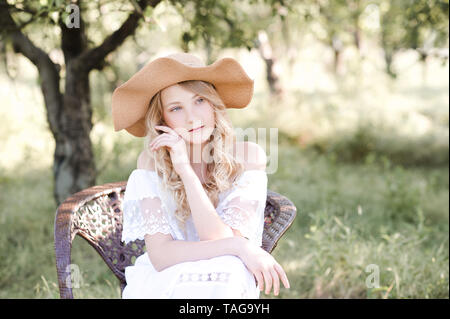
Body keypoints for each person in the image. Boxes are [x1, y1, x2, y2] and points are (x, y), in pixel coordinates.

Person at [111, 52, 290, 299]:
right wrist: (239, 245)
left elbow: (216, 240)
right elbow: (162, 257)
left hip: (225, 273)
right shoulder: (151, 163)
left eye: (199, 101)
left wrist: (187, 173)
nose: (192, 117)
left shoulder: (248, 157)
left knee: (231, 271)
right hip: (166, 278)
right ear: (162, 119)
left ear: (213, 103)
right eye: (176, 108)